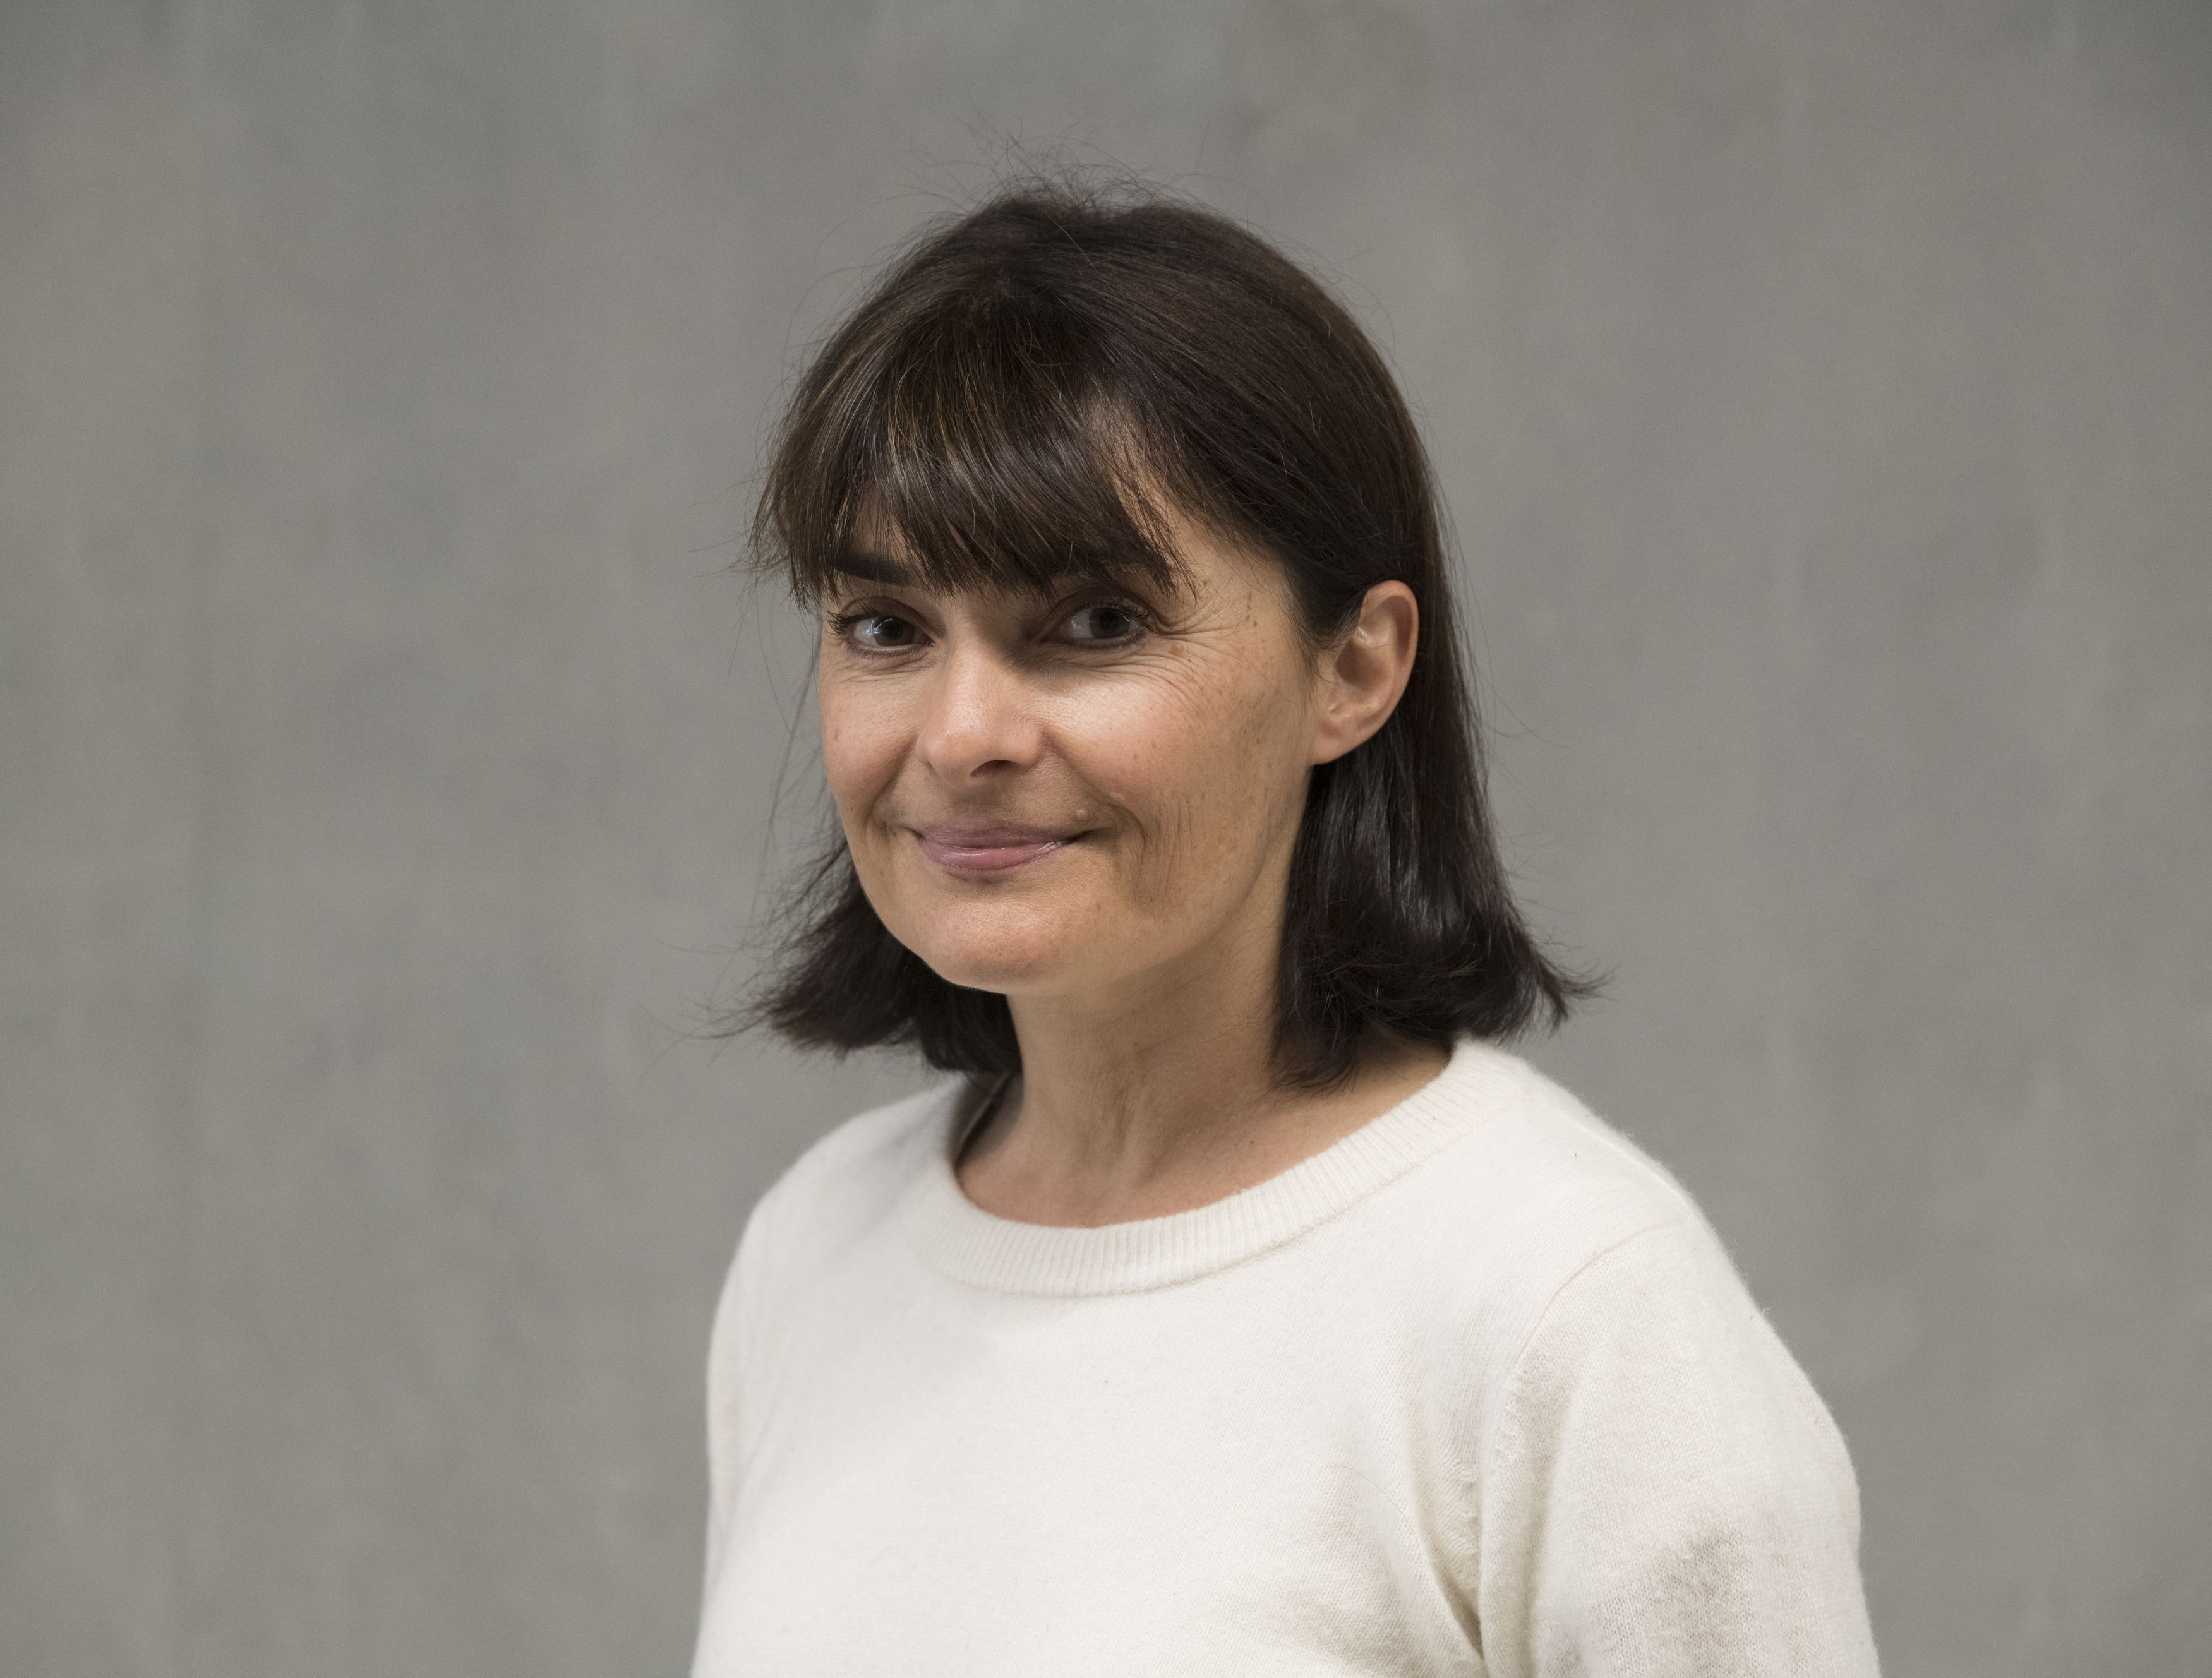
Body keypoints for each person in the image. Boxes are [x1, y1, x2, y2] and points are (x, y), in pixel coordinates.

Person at [690, 182, 1878, 1677]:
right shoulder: (816, 1251)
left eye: (1096, 623)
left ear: (1354, 670)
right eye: (886, 628)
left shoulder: (1568, 1313)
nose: (962, 732)